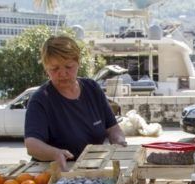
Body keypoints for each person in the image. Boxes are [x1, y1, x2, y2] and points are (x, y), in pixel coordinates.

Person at [25, 36, 127, 171]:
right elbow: (32, 145)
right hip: (55, 172)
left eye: (68, 66)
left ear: (78, 63)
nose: (62, 73)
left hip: (92, 169)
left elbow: (113, 129)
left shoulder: (92, 89)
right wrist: (55, 153)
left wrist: (119, 142)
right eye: (54, 69)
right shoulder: (41, 99)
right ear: (46, 68)